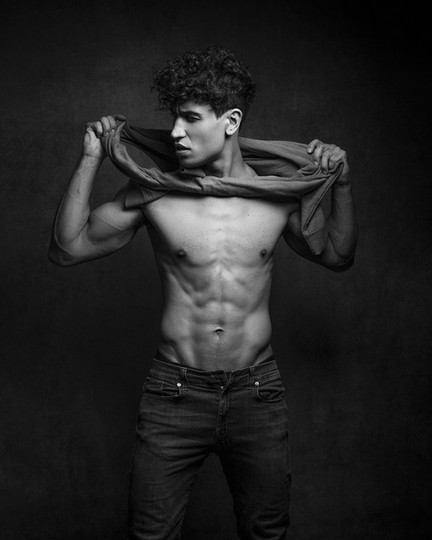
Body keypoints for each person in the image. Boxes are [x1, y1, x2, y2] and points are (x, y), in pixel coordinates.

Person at [48, 45, 357, 540]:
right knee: (150, 534)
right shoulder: (154, 191)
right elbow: (67, 248)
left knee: (267, 532)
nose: (176, 132)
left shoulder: (279, 196)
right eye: (174, 118)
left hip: (257, 394)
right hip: (173, 393)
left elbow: (338, 256)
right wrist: (89, 159)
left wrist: (341, 185)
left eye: (190, 118)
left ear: (231, 121)